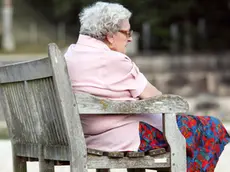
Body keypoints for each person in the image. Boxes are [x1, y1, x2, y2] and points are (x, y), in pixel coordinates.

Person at [64, 2, 230, 171]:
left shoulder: (71, 54)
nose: (129, 38)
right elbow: (156, 98)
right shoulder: (115, 60)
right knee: (211, 126)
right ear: (110, 36)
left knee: (190, 140)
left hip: (88, 134)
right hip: (122, 136)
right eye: (127, 32)